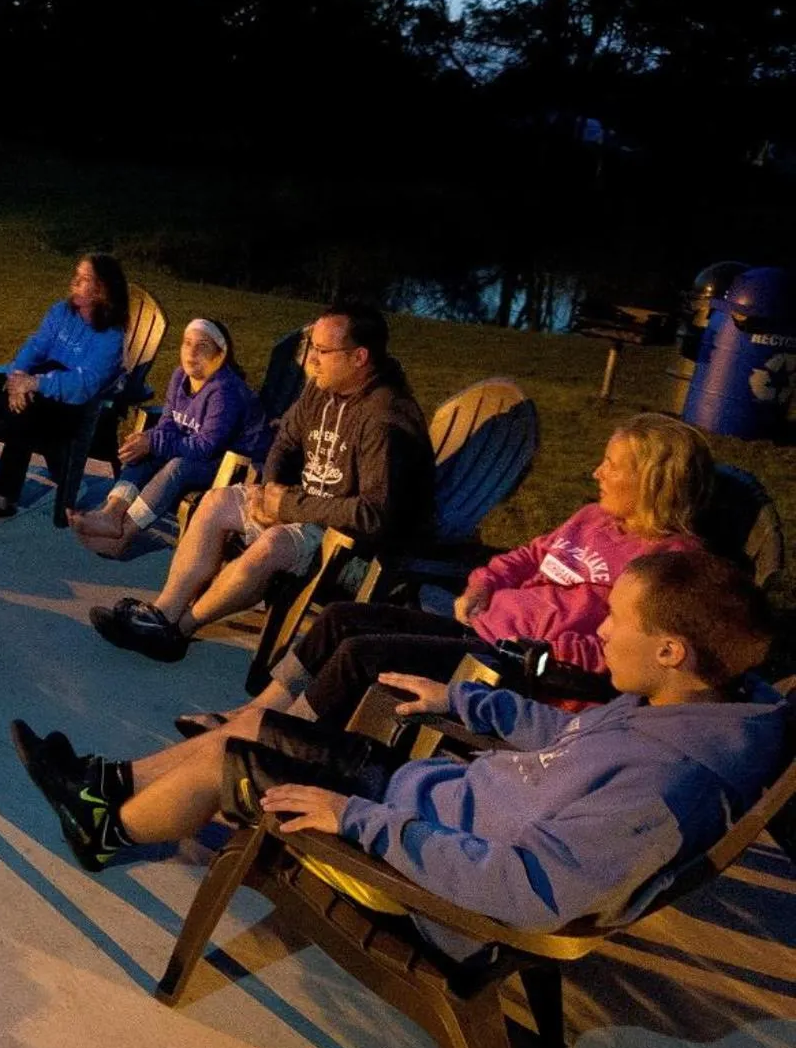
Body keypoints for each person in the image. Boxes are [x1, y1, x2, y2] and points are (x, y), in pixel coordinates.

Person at [12, 549, 789, 951]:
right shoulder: (681, 711)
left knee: (229, 767)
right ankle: (100, 781)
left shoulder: (668, 787)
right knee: (252, 727)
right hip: (431, 801)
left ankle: (100, 828)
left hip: (434, 875)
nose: (605, 633)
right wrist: (464, 700)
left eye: (622, 620)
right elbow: (569, 737)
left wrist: (355, 821)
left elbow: (524, 889)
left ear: (673, 651)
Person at [171, 413, 712, 738]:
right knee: (340, 618)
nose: (597, 472)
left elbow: (618, 657)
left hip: (517, 671)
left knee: (366, 653)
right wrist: (483, 584)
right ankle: (252, 715)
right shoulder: (594, 518)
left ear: (651, 480)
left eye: (612, 465)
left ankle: (276, 739)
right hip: (482, 628)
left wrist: (541, 640)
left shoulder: (667, 565)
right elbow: (524, 557)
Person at [93, 301, 431, 662]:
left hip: (349, 543)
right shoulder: (323, 388)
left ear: (359, 357)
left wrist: (284, 506)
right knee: (216, 502)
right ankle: (162, 613)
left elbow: (373, 514)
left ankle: (178, 631)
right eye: (311, 348)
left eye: (321, 351)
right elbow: (285, 441)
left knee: (271, 545)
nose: (311, 360)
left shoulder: (385, 419)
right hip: (302, 502)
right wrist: (269, 490)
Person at [0, 252, 129, 524]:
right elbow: (36, 347)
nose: (74, 282)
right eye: (76, 275)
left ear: (102, 290)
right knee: (23, 410)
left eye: (84, 279)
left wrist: (35, 383)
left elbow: (83, 385)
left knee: (28, 406)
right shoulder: (61, 312)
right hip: (37, 403)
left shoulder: (110, 338)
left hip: (75, 414)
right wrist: (19, 377)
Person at [70, 317, 269, 559]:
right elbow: (168, 423)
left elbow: (206, 446)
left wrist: (154, 442)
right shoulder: (180, 377)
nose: (192, 352)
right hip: (199, 453)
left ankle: (124, 536)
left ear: (220, 354)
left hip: (234, 465)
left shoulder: (226, 391)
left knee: (176, 466)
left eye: (202, 345)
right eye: (187, 343)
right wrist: (148, 439)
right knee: (146, 449)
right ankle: (112, 514)